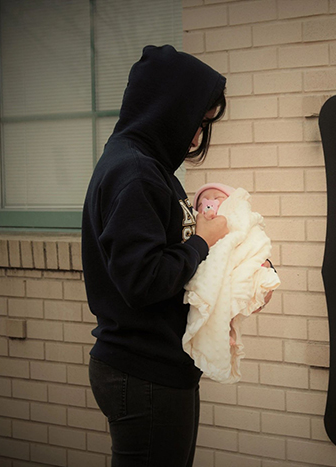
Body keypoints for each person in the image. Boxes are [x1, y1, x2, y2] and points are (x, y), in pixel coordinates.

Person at [81, 45, 228, 467]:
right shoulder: (135, 171)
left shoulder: (147, 167)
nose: (197, 137)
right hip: (144, 370)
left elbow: (173, 264)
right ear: (169, 108)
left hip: (157, 366)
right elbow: (143, 280)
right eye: (196, 122)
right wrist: (201, 241)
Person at [183, 182, 280, 383]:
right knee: (214, 297)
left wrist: (261, 265)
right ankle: (220, 335)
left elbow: (250, 238)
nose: (209, 202)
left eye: (217, 198)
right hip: (213, 267)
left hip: (234, 263)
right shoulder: (199, 225)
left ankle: (226, 330)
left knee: (231, 295)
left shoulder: (236, 218)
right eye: (202, 201)